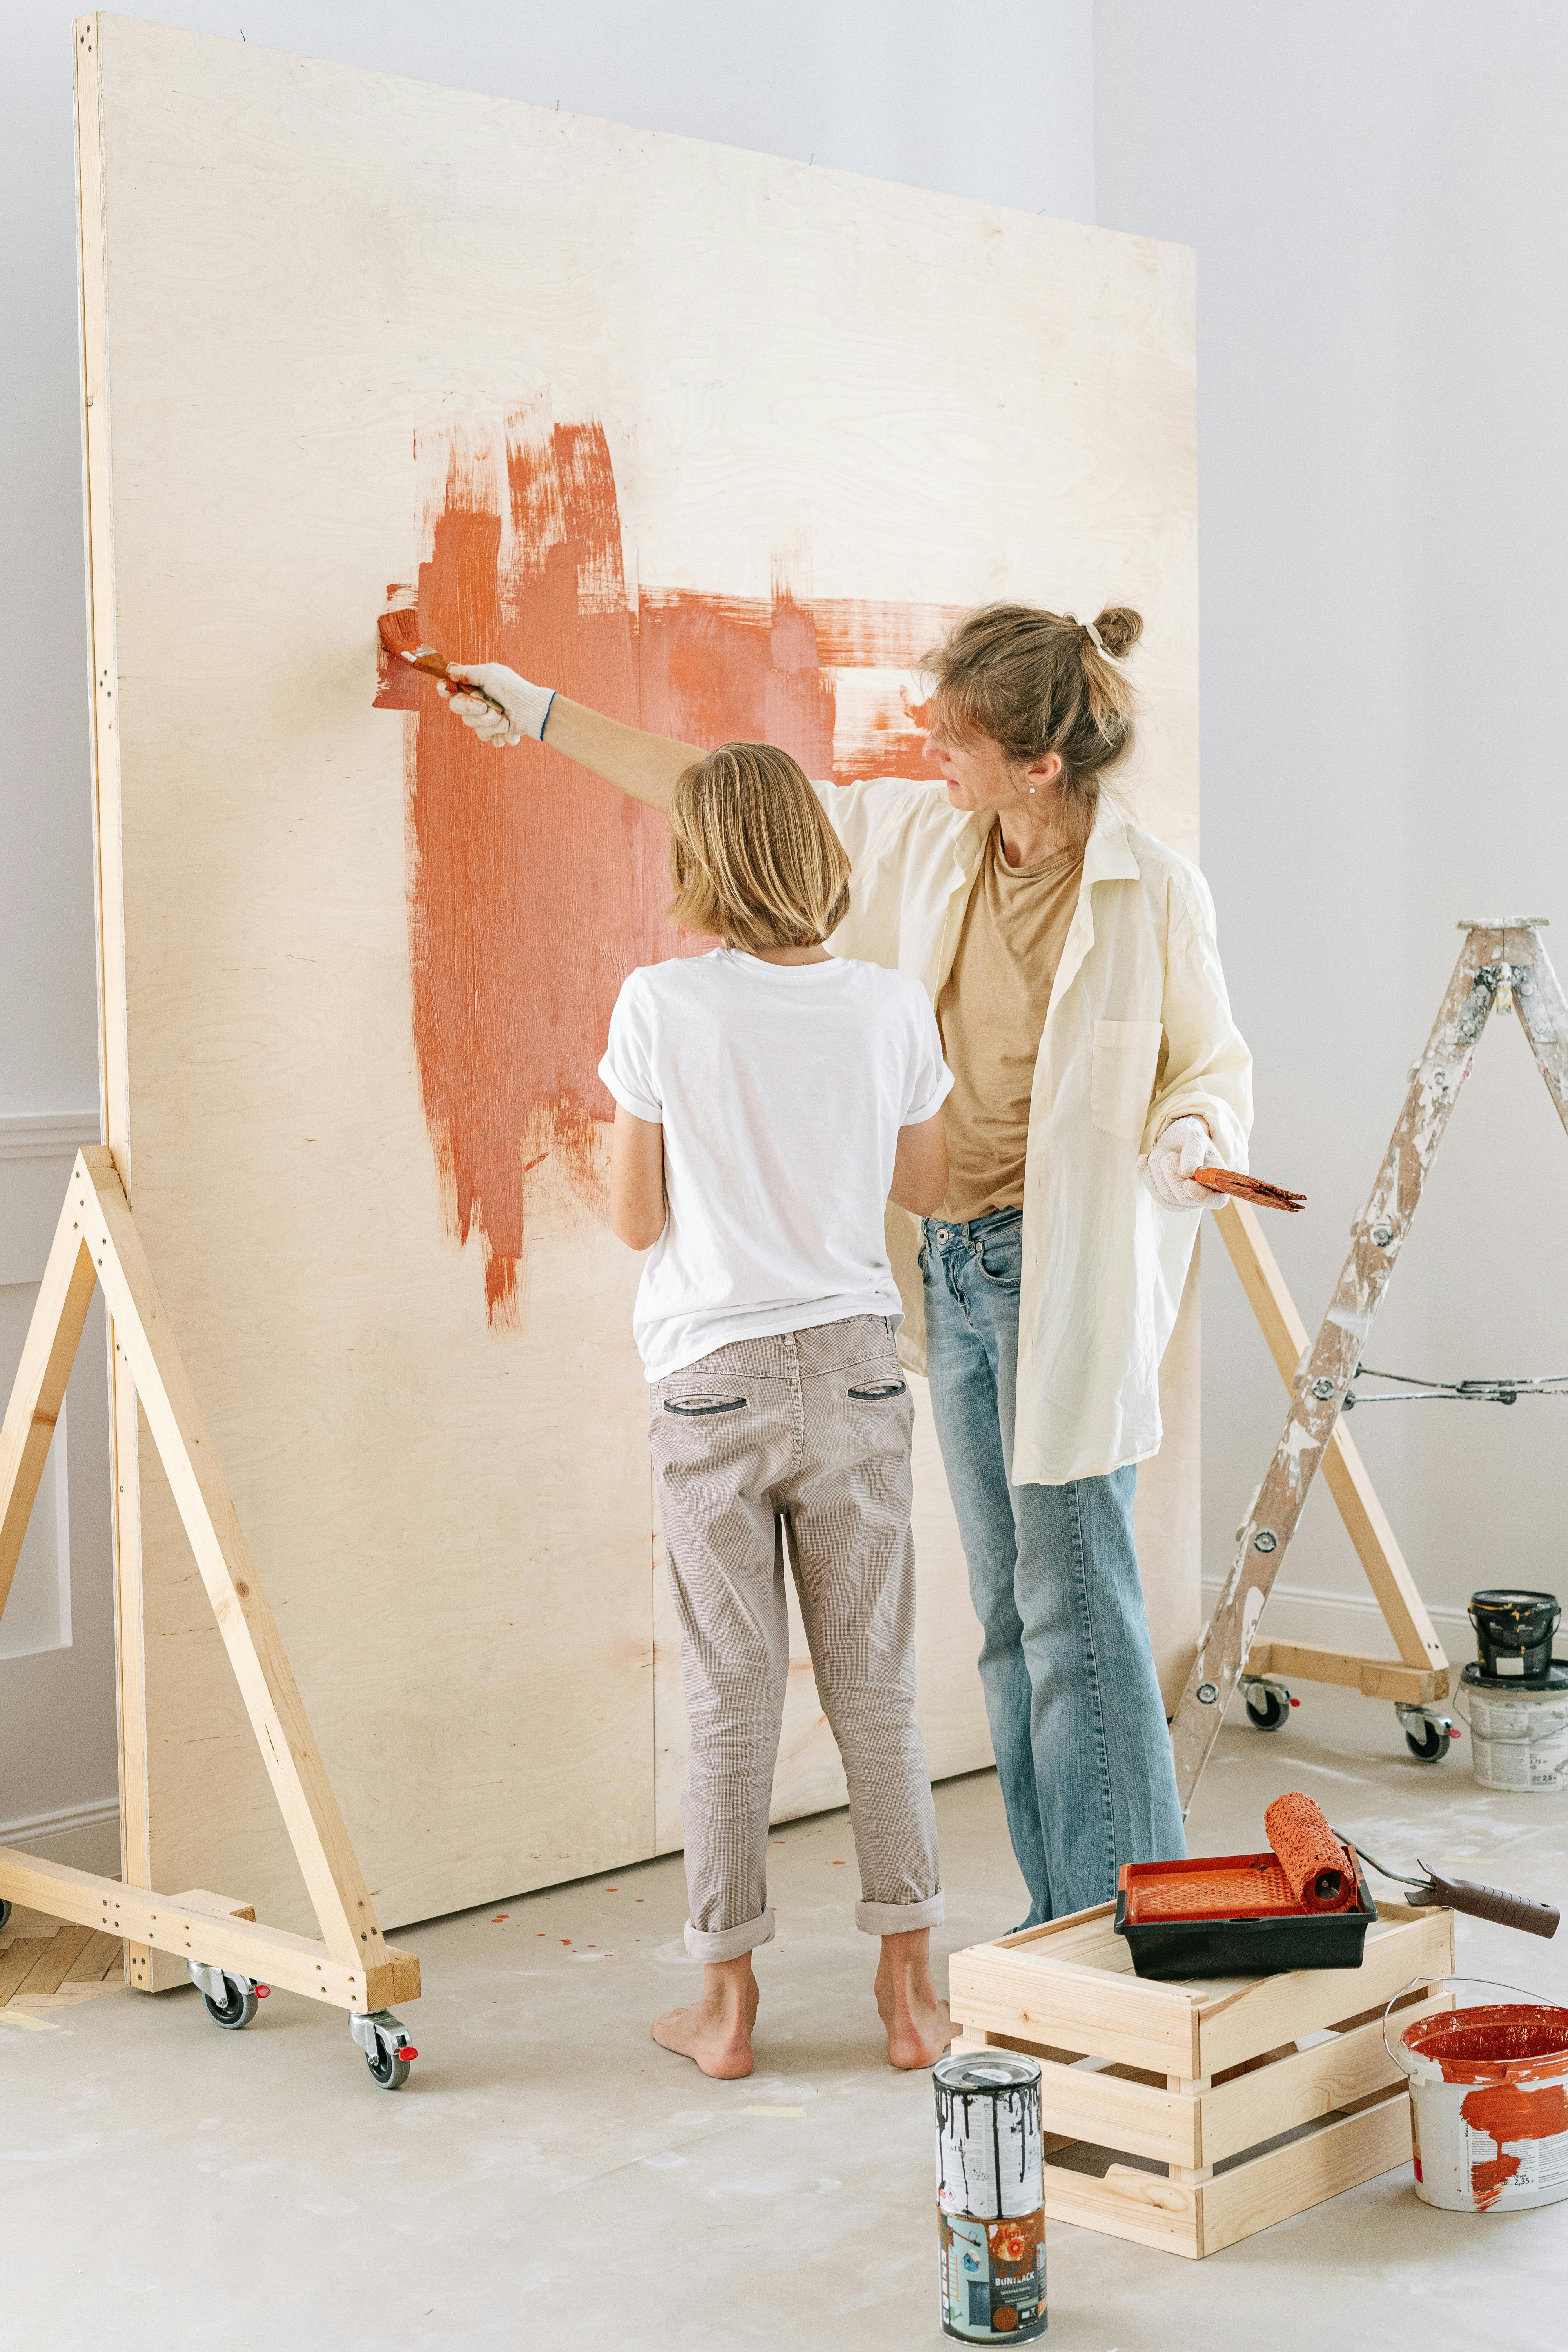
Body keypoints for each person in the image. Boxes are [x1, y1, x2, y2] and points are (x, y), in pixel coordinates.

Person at [438, 601, 1251, 1929]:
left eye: (957, 738)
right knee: (1005, 1611)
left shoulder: (1153, 890)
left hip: (1067, 1274)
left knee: (1080, 1606)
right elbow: (735, 797)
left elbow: (1210, 1066)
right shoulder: (931, 840)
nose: (928, 748)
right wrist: (537, 713)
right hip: (955, 1269)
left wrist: (1193, 1135)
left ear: (1038, 764)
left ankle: (1131, 1923)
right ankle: (1061, 1917)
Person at [595, 739, 955, 2078]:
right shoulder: (890, 1003)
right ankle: (912, 2000)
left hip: (714, 1379)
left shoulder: (659, 1003)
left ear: (704, 858)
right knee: (880, 1689)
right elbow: (919, 1185)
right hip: (857, 1363)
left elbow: (637, 1218)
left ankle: (727, 2008)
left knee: (732, 1692)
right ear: (811, 847)